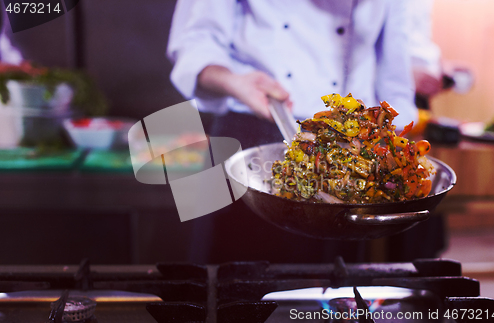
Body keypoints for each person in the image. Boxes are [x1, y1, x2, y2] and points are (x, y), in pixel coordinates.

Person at [167, 0, 419, 263]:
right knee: (232, 282)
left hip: (356, 150)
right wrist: (233, 81)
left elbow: (395, 79)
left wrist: (393, 158)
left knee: (335, 288)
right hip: (252, 136)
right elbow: (195, 41)